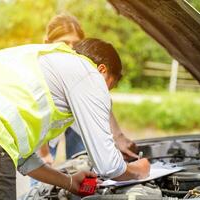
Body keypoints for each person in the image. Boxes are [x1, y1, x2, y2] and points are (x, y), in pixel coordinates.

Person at [0, 38, 150, 199]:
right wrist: (139, 171)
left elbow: (24, 160)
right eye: (108, 87)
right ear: (102, 70)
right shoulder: (88, 73)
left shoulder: (47, 63)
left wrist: (68, 182)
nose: (104, 93)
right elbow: (108, 166)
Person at [39, 14, 139, 166]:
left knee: (82, 167)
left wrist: (118, 136)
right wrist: (44, 153)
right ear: (48, 43)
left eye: (76, 43)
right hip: (46, 129)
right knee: (42, 169)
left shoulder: (84, 68)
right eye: (64, 43)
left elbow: (99, 98)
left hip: (77, 123)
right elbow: (39, 117)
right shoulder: (44, 69)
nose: (70, 49)